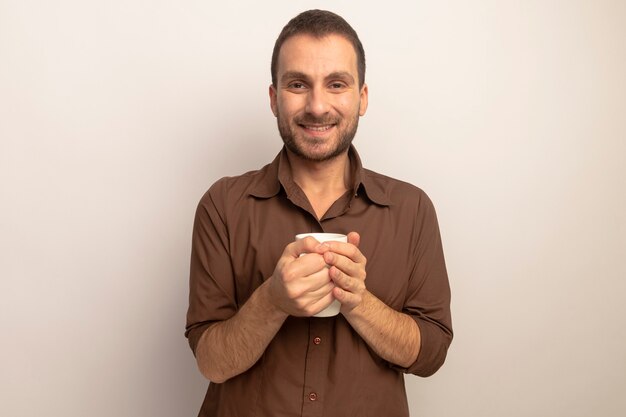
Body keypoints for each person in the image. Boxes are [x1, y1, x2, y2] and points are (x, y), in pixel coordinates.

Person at [185, 9, 452, 417]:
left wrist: (358, 301)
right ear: (274, 98)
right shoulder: (222, 205)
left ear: (361, 98)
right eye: (297, 84)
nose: (316, 105)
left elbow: (430, 356)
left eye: (336, 84)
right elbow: (211, 362)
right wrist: (273, 300)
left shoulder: (412, 210)